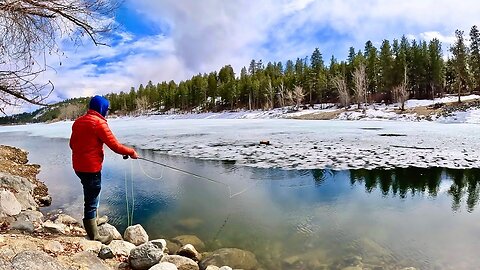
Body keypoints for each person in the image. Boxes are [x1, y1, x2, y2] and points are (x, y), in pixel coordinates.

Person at [69, 95, 138, 244]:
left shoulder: (78, 122)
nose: (107, 112)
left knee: (92, 192)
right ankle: (94, 235)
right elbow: (115, 146)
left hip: (78, 167)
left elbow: (72, 144)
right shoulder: (99, 123)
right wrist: (131, 152)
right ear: (101, 108)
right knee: (92, 197)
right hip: (90, 168)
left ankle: (94, 219)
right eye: (106, 109)